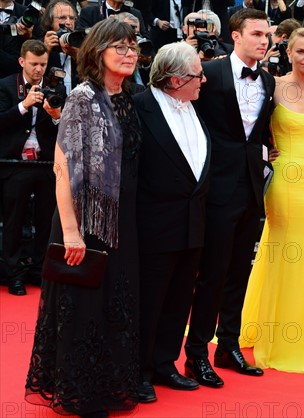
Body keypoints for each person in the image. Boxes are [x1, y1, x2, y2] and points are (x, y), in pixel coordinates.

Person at [24, 19, 142, 417]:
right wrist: (72, 233)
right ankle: (78, 391)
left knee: (115, 302)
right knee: (83, 304)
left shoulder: (129, 98)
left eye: (133, 47)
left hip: (120, 220)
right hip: (84, 220)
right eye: (120, 47)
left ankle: (111, 383)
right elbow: (63, 168)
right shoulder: (82, 98)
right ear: (98, 51)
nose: (130, 53)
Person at [239, 28, 304, 374]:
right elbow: (251, 127)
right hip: (284, 179)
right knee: (283, 247)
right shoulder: (272, 85)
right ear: (289, 53)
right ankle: (278, 331)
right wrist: (266, 152)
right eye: (300, 52)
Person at [184, 8, 275, 387]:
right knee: (213, 273)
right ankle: (196, 355)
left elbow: (257, 133)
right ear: (235, 36)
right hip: (216, 187)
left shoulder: (268, 81)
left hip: (252, 187)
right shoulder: (212, 72)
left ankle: (229, 346)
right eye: (256, 34)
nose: (263, 41)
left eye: (267, 35)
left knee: (240, 270)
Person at [135, 41, 211, 402]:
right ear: (176, 79)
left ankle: (165, 363)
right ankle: (139, 371)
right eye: (197, 74)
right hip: (152, 225)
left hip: (192, 224)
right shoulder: (139, 106)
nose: (204, 80)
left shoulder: (195, 107)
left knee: (180, 299)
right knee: (148, 301)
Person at [0, 40, 61, 296]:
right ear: (22, 61)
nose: (39, 69)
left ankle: (39, 269)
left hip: (46, 164)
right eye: (34, 64)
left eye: (43, 64)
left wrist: (56, 114)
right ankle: (12, 273)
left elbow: (65, 130)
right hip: (14, 164)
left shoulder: (55, 88)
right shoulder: (5, 86)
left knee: (46, 221)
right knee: (13, 222)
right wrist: (24, 105)